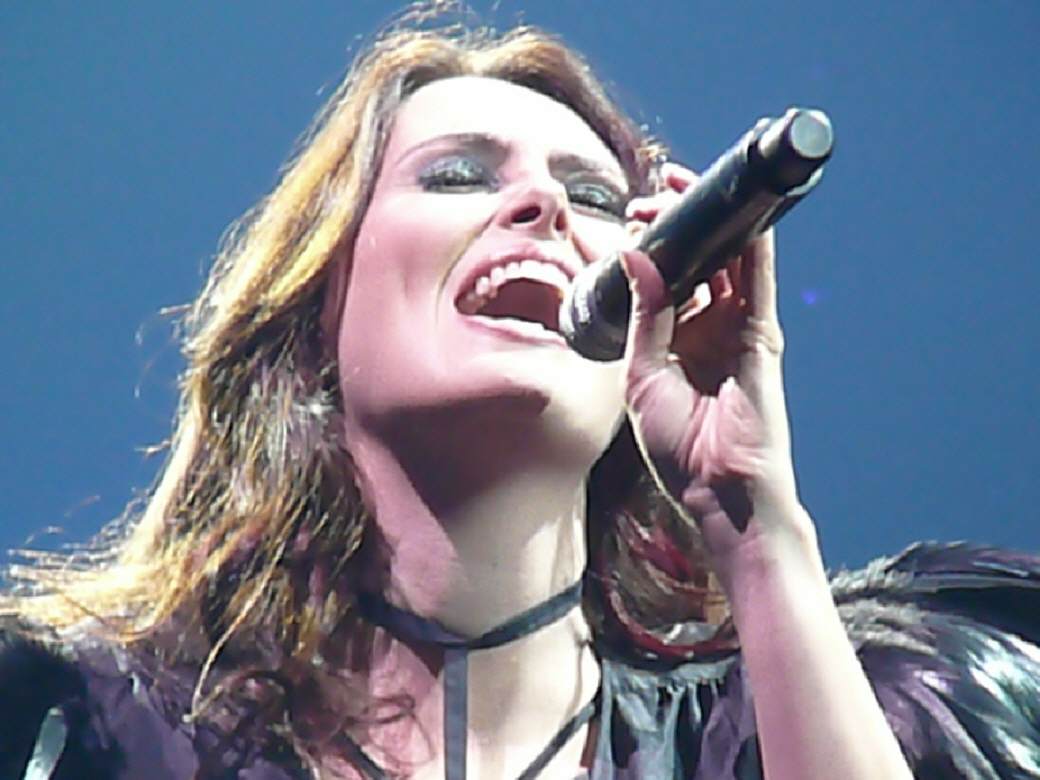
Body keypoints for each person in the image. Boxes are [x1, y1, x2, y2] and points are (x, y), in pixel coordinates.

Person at [3, 14, 1039, 780]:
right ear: (317, 304)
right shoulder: (78, 726)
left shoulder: (814, 715)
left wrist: (758, 532)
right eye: (456, 175)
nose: (542, 204)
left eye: (594, 197)